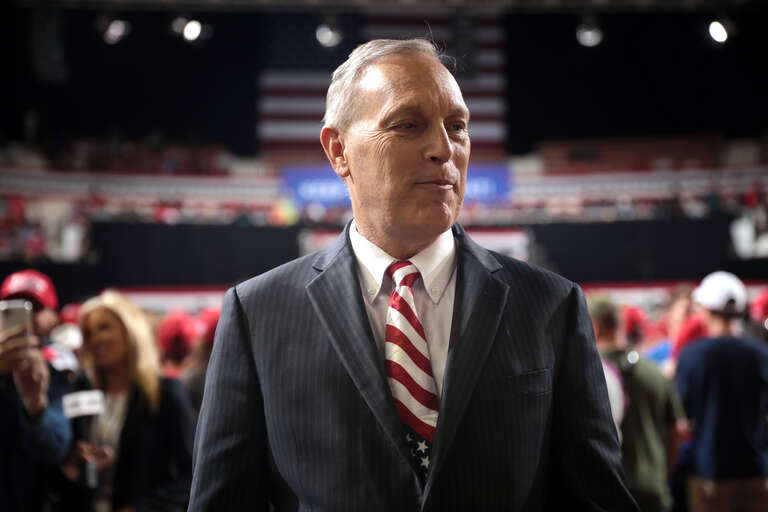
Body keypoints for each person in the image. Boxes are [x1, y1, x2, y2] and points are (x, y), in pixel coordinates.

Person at [189, 38, 637, 511]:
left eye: (457, 126)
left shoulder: (551, 305)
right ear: (338, 150)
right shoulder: (257, 312)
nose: (444, 149)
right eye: (408, 125)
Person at [59, 290, 195, 511]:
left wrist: (141, 509)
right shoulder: (81, 388)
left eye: (104, 327)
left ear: (130, 330)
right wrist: (72, 464)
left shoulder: (165, 393)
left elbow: (191, 476)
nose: (95, 339)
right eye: (88, 333)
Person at [675, 271, 768, 512]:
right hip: (757, 472)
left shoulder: (692, 355)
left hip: (709, 475)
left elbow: (681, 416)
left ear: (705, 309)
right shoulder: (761, 354)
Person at [589, 296, 686, 512]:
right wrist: (659, 474)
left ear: (593, 327)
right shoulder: (654, 371)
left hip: (608, 493)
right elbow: (677, 431)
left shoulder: (588, 373)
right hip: (653, 490)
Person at [0, 269, 73, 512]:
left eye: (35, 308)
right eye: (13, 308)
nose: (27, 316)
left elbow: (55, 450)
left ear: (53, 317)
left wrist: (35, 403)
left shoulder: (61, 369)